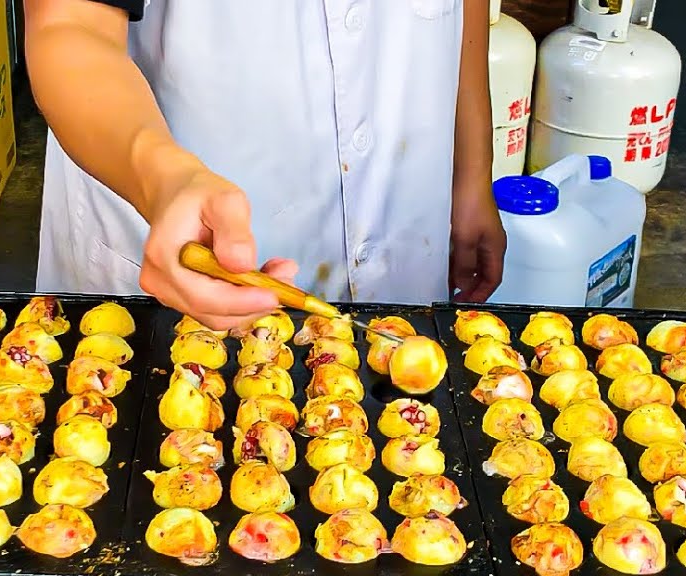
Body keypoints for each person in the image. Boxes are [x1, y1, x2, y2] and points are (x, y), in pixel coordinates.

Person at [26, 0, 505, 330]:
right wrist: (161, 177)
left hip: (402, 200)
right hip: (176, 199)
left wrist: (471, 168)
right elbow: (69, 25)